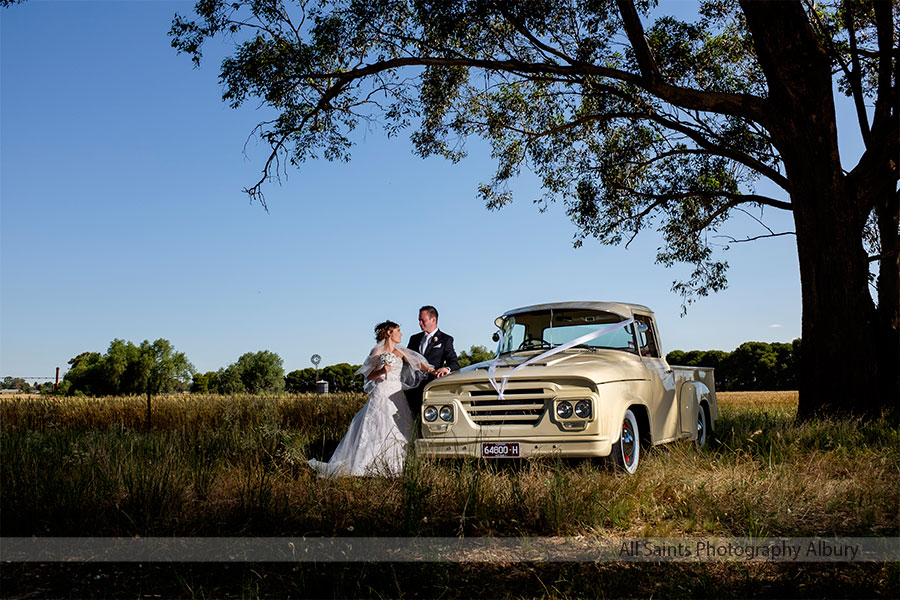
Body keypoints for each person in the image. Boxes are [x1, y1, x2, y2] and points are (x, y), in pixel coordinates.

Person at [308, 320, 434, 478]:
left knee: (399, 429)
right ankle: (368, 465)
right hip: (381, 392)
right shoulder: (376, 351)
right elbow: (369, 375)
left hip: (397, 394)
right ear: (389, 333)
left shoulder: (400, 351)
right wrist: (382, 370)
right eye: (398, 330)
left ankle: (397, 464)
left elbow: (418, 363)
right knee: (377, 428)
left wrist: (432, 370)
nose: (401, 334)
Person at [406, 305, 460, 417]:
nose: (420, 323)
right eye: (419, 320)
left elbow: (454, 363)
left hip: (430, 388)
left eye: (423, 320)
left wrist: (446, 368)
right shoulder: (414, 339)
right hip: (411, 389)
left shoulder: (446, 339)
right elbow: (407, 360)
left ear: (433, 319)